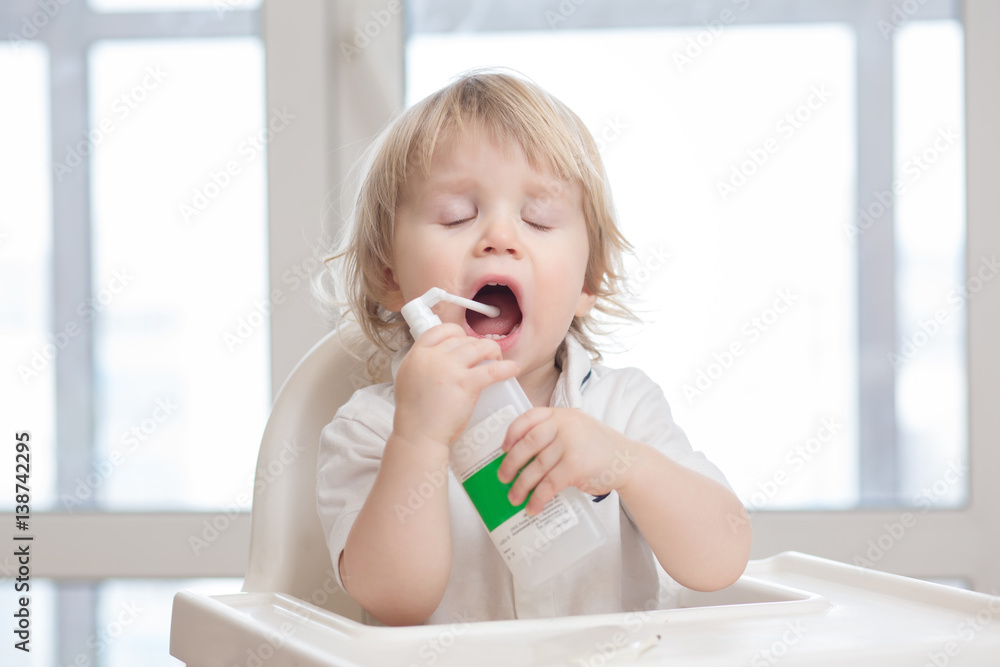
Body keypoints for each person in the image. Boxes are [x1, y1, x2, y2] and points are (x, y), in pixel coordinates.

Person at [316, 70, 751, 627]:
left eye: (538, 220)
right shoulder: (373, 428)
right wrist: (418, 441)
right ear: (390, 276)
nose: (500, 237)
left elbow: (722, 559)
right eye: (457, 216)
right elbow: (395, 601)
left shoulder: (624, 409)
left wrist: (626, 463)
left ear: (587, 282)